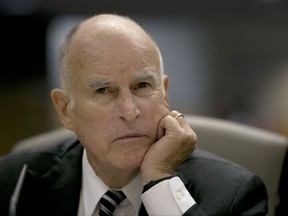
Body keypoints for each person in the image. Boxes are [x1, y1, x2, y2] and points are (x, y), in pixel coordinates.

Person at [0, 13, 267, 216]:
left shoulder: (234, 195)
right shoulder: (13, 185)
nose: (129, 111)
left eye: (142, 86)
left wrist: (160, 180)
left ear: (164, 92)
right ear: (65, 109)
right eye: (104, 90)